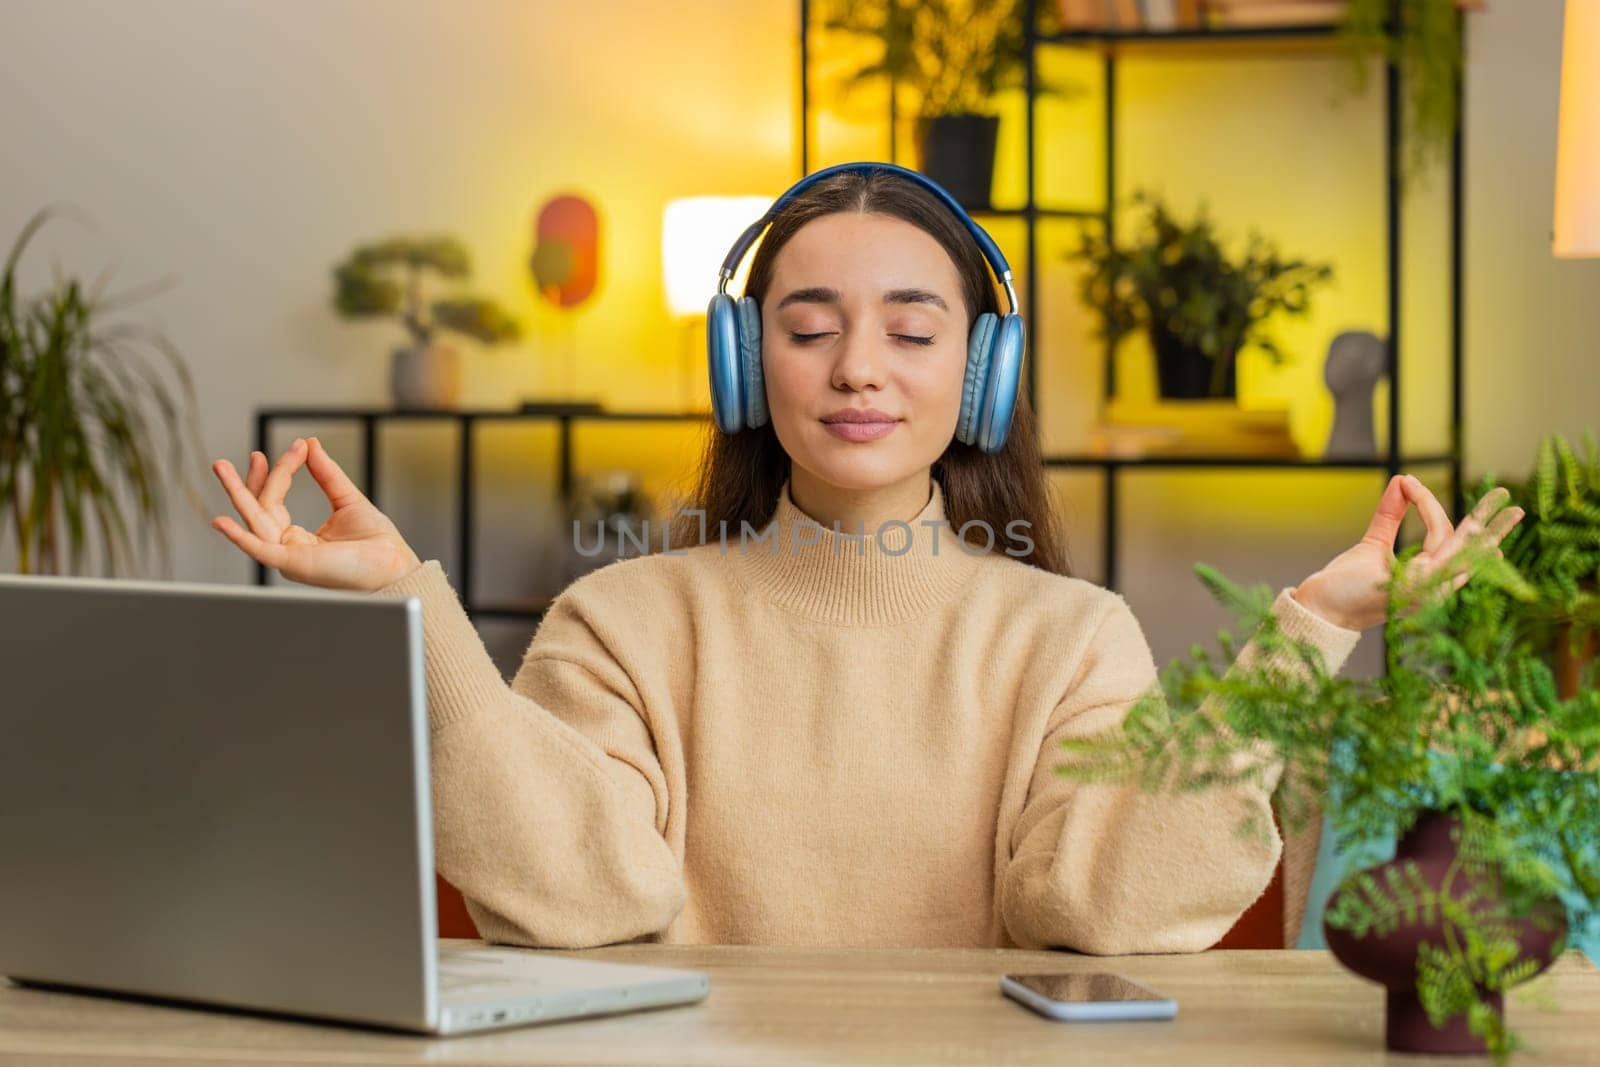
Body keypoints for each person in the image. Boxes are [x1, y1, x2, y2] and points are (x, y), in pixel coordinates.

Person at [209, 164, 1523, 954]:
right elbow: (576, 895)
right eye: (808, 326)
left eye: (911, 328)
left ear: (982, 371)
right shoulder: (620, 622)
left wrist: (1308, 624)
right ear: (743, 362)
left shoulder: (1066, 636)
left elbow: (1106, 906)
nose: (855, 370)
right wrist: (410, 615)